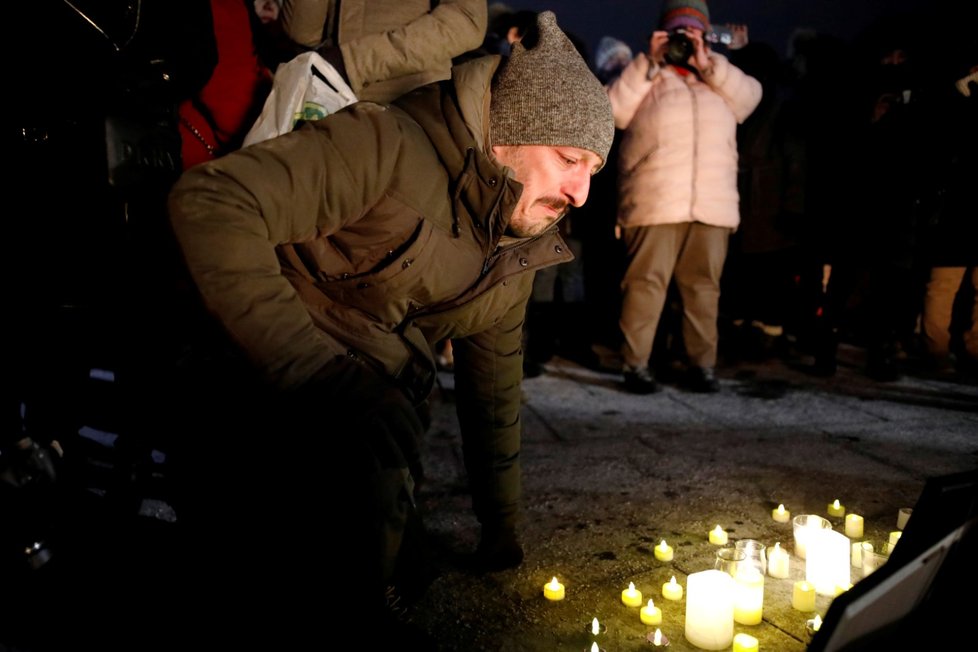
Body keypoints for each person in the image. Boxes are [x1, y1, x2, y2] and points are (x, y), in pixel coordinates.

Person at [166, 10, 613, 643]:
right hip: (254, 370)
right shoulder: (384, 145)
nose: (580, 193)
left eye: (593, 170)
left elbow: (494, 388)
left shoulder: (519, 238)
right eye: (569, 158)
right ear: (508, 133)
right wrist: (318, 376)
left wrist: (500, 522)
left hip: (370, 403)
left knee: (400, 560)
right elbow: (210, 203)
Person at [606, 0, 761, 394]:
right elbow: (611, 112)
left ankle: (701, 366)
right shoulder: (647, 76)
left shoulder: (719, 81)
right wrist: (649, 62)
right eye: (678, 33)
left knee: (704, 290)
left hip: (712, 205)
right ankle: (635, 366)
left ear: (704, 36)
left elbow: (751, 99)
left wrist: (709, 62)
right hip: (654, 200)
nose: (685, 42)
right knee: (644, 286)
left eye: (692, 33)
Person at [277, 0, 487, 103]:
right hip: (331, 103)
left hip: (408, 108)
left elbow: (466, 20)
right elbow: (301, 32)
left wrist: (353, 62)